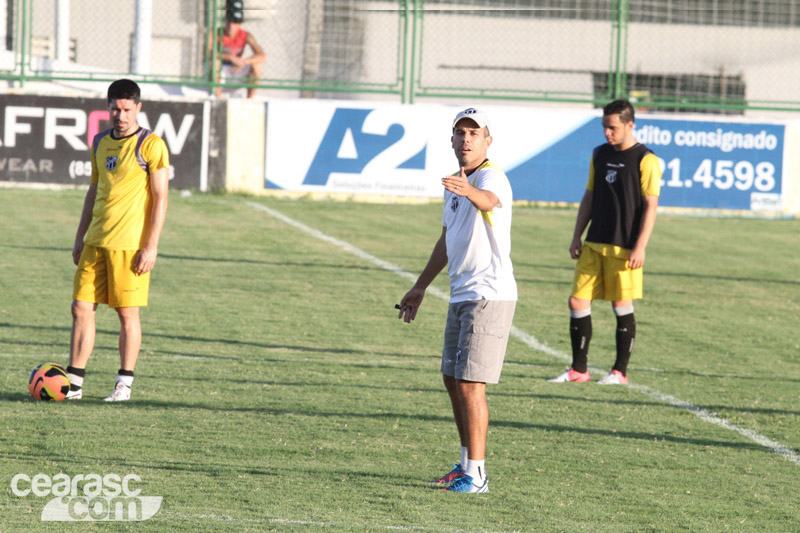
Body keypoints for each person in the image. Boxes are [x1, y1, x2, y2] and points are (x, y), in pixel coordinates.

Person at [398, 108, 517, 493]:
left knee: (471, 384)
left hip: (488, 294)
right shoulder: (456, 183)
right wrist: (420, 287)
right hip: (461, 293)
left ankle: (478, 475)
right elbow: (445, 240)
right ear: (451, 140)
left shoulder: (488, 175)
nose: (466, 139)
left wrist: (470, 191)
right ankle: (466, 464)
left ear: (487, 140)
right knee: (452, 379)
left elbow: (490, 200)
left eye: (473, 133)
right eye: (460, 133)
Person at [66, 79, 170, 402]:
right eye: (115, 108)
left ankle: (123, 384)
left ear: (138, 108)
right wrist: (80, 236)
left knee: (127, 315)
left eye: (126, 109)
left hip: (130, 246)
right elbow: (93, 191)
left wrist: (151, 245)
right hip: (96, 242)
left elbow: (160, 196)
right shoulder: (99, 142)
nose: (120, 115)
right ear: (108, 106)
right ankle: (74, 384)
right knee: (81, 308)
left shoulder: (151, 145)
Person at [549, 99, 661, 385]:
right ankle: (579, 370)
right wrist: (577, 234)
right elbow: (589, 196)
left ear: (629, 124)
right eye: (604, 127)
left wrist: (641, 246)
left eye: (612, 128)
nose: (607, 133)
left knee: (620, 304)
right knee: (577, 301)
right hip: (594, 242)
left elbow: (651, 206)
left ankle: (619, 372)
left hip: (624, 247)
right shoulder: (598, 154)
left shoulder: (645, 160)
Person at [214, 1, 266, 99]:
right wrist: (231, 58)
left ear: (240, 24)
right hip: (221, 69)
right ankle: (217, 99)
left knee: (256, 65)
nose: (231, 26)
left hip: (237, 68)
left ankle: (249, 99)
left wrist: (244, 61)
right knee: (215, 62)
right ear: (225, 20)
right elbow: (208, 53)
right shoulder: (216, 33)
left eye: (235, 23)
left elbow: (262, 56)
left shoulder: (246, 36)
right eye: (229, 21)